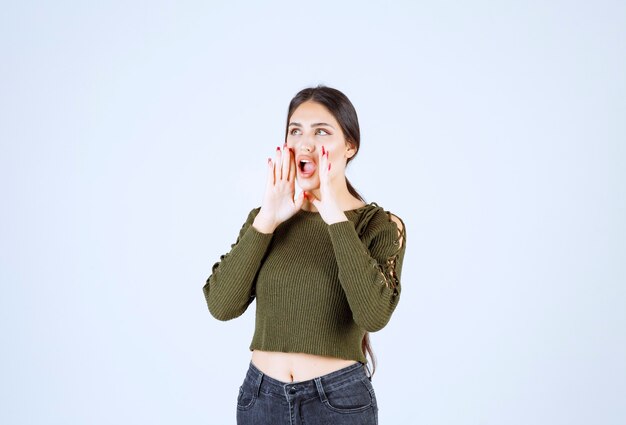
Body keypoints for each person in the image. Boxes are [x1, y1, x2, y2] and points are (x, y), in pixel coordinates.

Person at [203, 85, 407, 425]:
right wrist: (267, 218)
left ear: (350, 146)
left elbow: (373, 316)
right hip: (261, 399)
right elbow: (221, 305)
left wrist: (334, 217)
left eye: (322, 132)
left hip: (338, 402)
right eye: (295, 131)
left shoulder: (379, 225)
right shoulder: (266, 218)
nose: (306, 143)